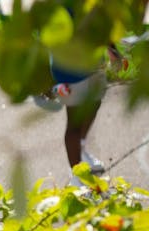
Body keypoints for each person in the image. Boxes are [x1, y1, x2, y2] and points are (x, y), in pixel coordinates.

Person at [50, 44, 121, 182]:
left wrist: (112, 49)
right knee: (74, 122)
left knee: (94, 103)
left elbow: (99, 22)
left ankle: (80, 150)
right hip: (69, 67)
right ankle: (77, 178)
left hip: (94, 63)